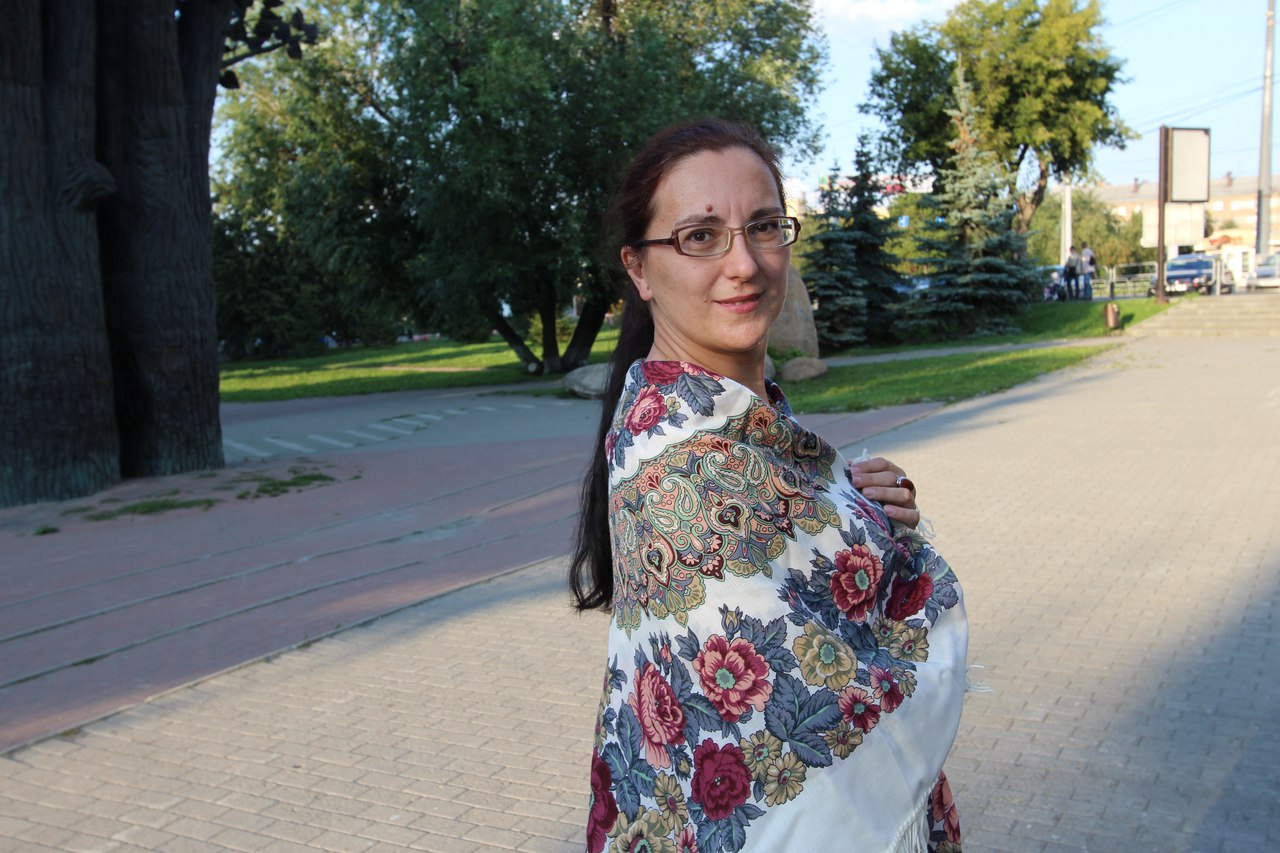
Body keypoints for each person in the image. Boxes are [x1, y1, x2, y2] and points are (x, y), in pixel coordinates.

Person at [571, 119, 968, 853]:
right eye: (700, 236)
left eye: (763, 227)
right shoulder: (683, 471)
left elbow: (804, 556)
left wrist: (863, 506)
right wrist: (893, 555)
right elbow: (818, 722)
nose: (745, 263)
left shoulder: (734, 418)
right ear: (639, 269)